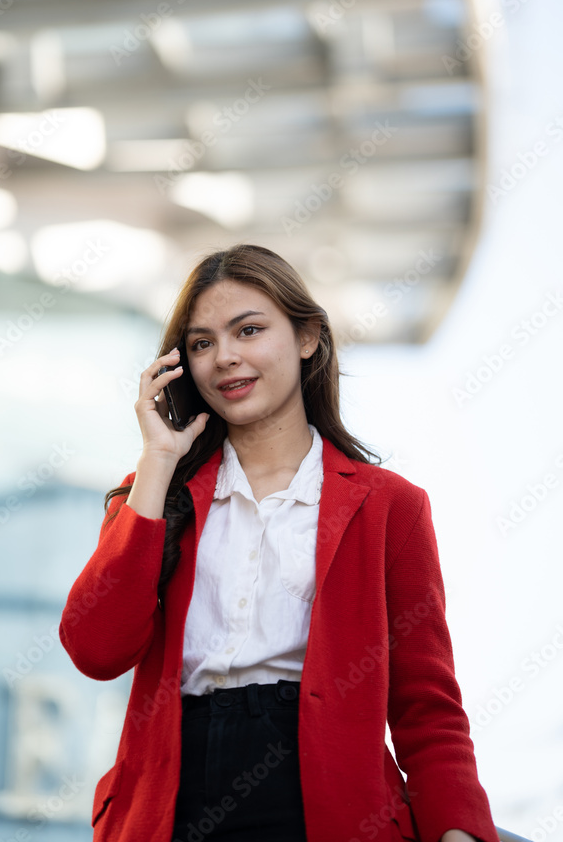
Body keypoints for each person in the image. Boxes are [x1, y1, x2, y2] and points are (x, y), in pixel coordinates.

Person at [60, 243, 501, 842]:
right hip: (170, 799)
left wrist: (459, 829)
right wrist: (158, 460)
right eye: (201, 343)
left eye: (248, 330)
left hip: (323, 800)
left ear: (307, 338)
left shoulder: (389, 505)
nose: (225, 358)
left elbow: (427, 704)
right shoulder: (155, 492)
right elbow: (96, 650)